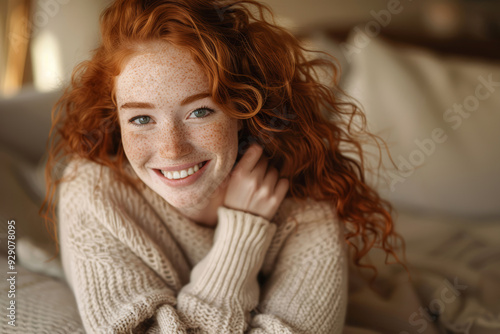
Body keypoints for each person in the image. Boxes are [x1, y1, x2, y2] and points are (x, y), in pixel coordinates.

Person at [41, 0, 406, 332]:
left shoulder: (305, 199)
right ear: (114, 119)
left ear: (244, 111)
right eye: (140, 119)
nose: (171, 150)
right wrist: (241, 238)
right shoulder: (93, 191)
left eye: (200, 111)